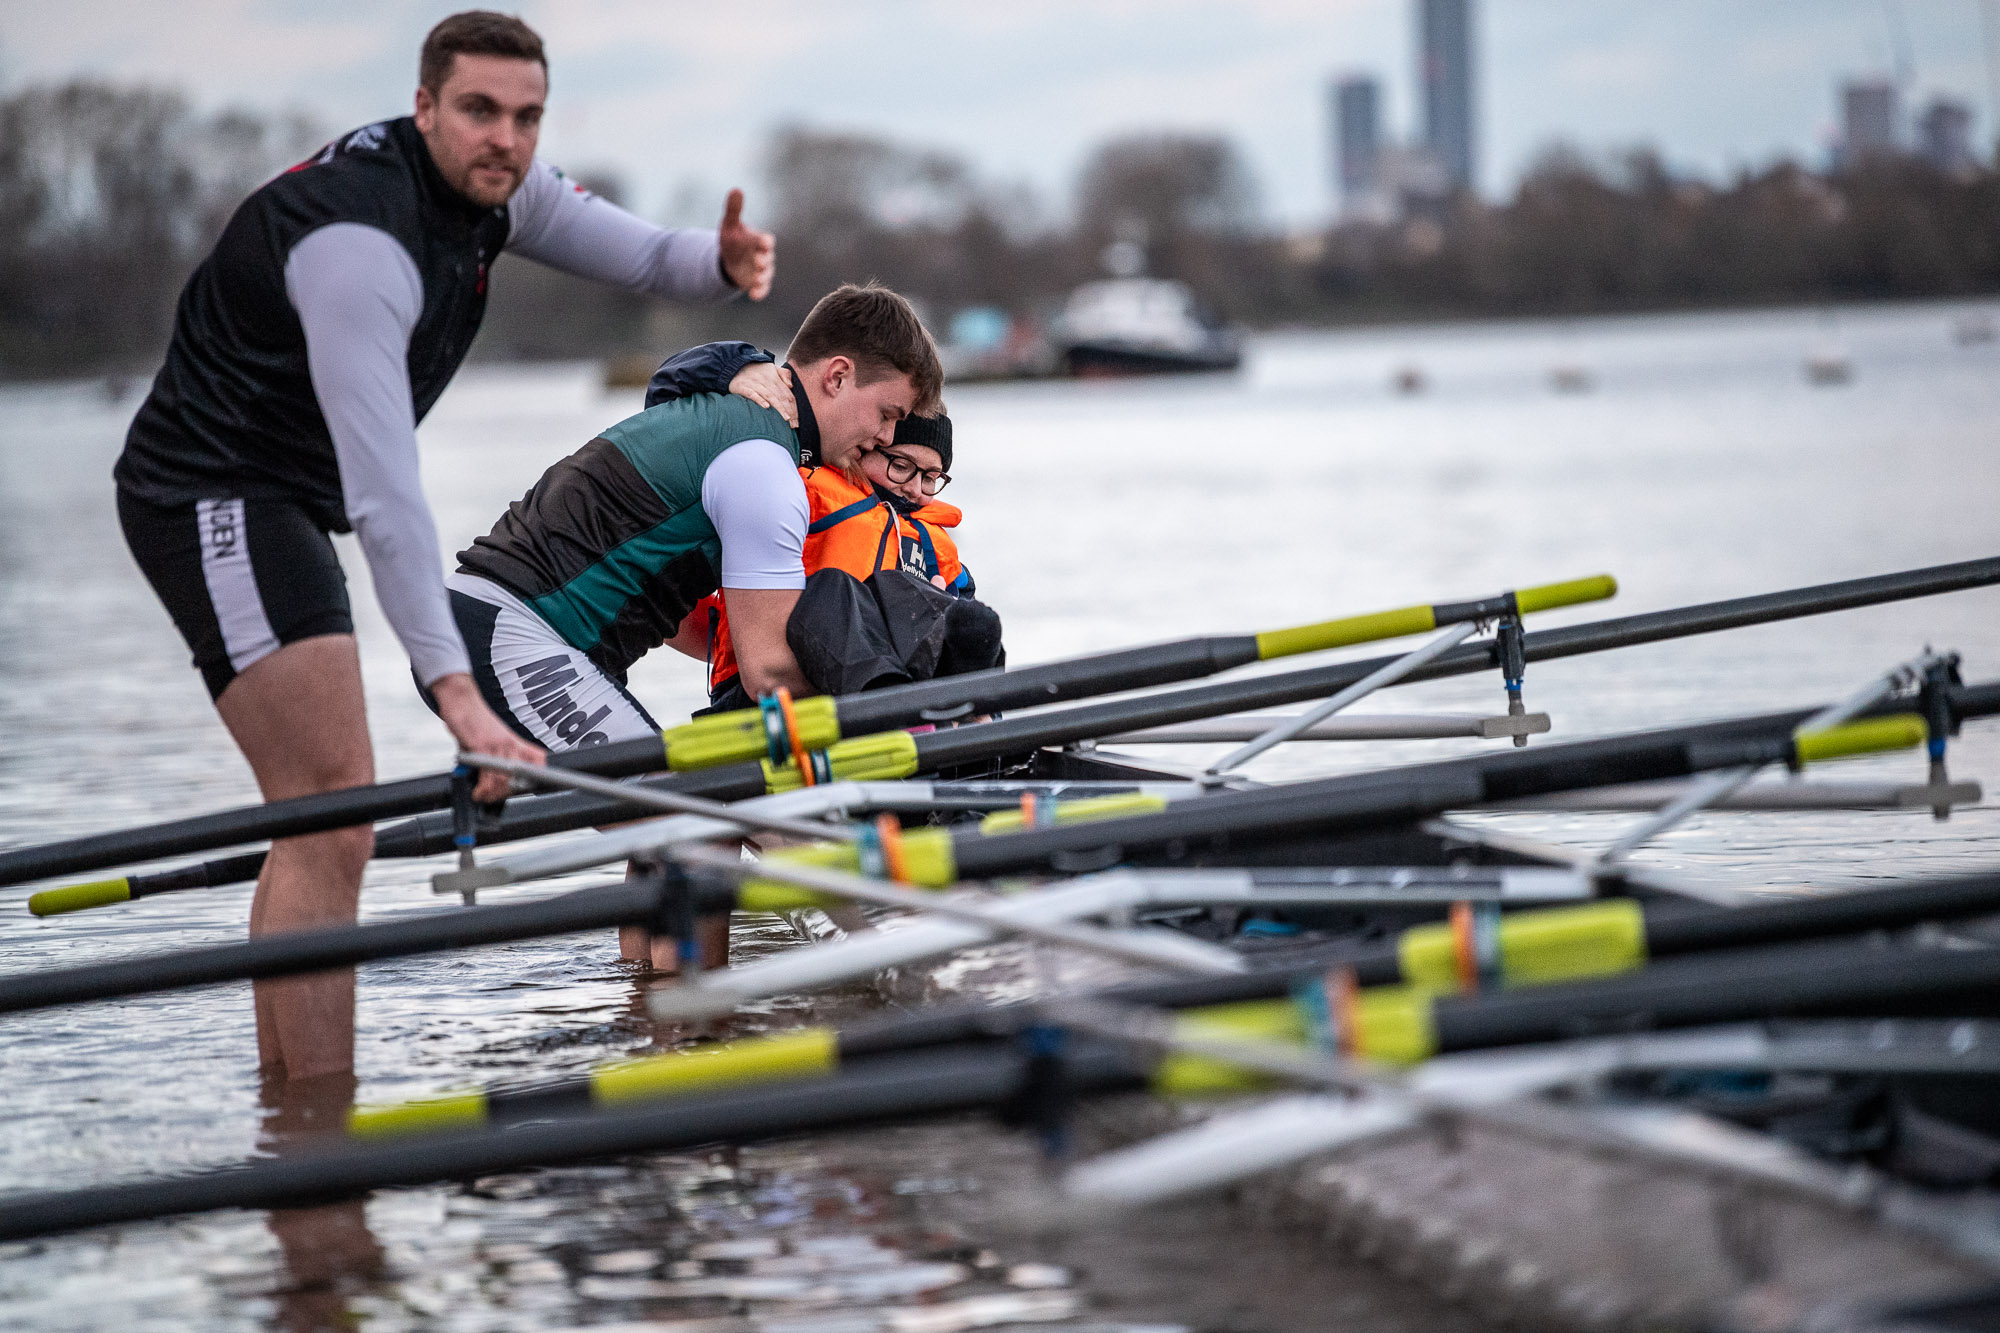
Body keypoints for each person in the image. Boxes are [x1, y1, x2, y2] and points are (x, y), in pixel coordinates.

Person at [111, 10, 777, 1083]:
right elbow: (387, 502)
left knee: (325, 821)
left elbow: (646, 255)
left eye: (525, 117)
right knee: (331, 809)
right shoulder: (358, 250)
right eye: (477, 111)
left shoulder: (499, 189)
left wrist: (722, 260)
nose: (503, 139)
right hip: (212, 494)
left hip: (287, 498)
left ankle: (299, 1135)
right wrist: (461, 701)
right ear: (423, 107)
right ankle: (315, 1131)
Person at [438, 283, 944, 968]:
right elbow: (769, 671)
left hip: (499, 626)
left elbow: (702, 629)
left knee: (673, 813)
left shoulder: (733, 419)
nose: (885, 439)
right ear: (837, 375)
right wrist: (894, 725)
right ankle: (701, 1032)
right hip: (509, 634)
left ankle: (648, 1014)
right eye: (886, 415)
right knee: (698, 823)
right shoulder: (765, 466)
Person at [647, 345, 1001, 713]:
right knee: (835, 588)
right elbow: (671, 392)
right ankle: (888, 705)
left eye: (931, 478)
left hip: (897, 697)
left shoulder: (934, 547)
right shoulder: (800, 487)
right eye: (901, 466)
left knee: (976, 623)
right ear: (867, 445)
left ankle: (980, 735)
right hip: (777, 694)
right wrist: (738, 370)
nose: (914, 487)